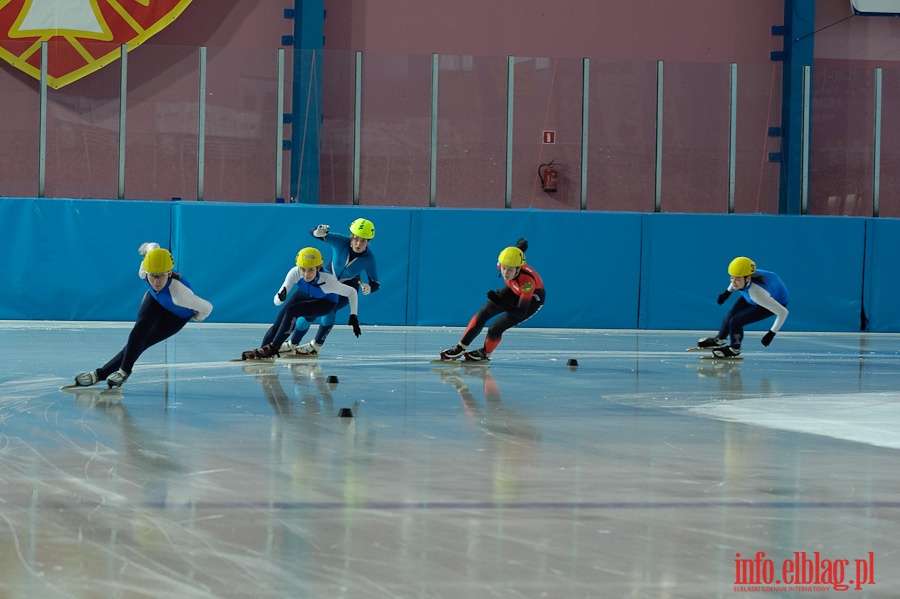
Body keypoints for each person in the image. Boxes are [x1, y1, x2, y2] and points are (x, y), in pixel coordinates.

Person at [72, 242, 213, 389]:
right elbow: (154, 247)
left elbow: (208, 307)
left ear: (169, 274)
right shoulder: (144, 272)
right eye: (152, 276)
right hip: (156, 301)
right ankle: (119, 372)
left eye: (161, 276)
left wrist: (197, 317)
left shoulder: (180, 294)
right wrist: (146, 247)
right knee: (139, 331)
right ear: (146, 273)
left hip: (174, 317)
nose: (156, 281)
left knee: (145, 342)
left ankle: (104, 374)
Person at [281, 218, 379, 357]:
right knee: (308, 314)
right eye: (356, 239)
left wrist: (369, 288)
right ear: (351, 236)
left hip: (346, 287)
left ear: (368, 242)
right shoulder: (340, 241)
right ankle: (293, 344)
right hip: (324, 280)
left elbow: (375, 283)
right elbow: (313, 232)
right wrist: (317, 232)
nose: (358, 244)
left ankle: (316, 345)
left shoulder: (369, 258)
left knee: (329, 311)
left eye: (363, 241)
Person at [242, 246, 362, 360]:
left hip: (325, 302)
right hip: (304, 294)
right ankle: (262, 351)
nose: (306, 274)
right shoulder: (295, 273)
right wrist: (280, 298)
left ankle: (274, 348)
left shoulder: (328, 281)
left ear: (318, 268)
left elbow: (352, 292)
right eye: (303, 269)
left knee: (293, 311)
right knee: (278, 323)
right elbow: (277, 302)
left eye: (311, 270)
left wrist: (353, 316)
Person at [440, 239, 545, 362]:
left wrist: (501, 303)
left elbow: (520, 312)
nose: (506, 273)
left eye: (510, 270)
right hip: (514, 289)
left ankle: (485, 353)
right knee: (483, 313)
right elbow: (514, 253)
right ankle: (460, 347)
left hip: (531, 300)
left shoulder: (528, 282)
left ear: (519, 268)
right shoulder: (504, 262)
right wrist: (521, 245)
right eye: (504, 268)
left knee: (495, 328)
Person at [697, 256, 789, 358]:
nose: (733, 282)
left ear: (748, 278)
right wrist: (727, 293)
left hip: (773, 302)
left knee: (736, 321)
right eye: (732, 278)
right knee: (730, 316)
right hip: (757, 294)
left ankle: (734, 349)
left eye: (737, 279)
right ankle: (720, 339)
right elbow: (736, 278)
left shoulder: (757, 293)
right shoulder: (744, 277)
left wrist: (771, 333)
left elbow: (783, 312)